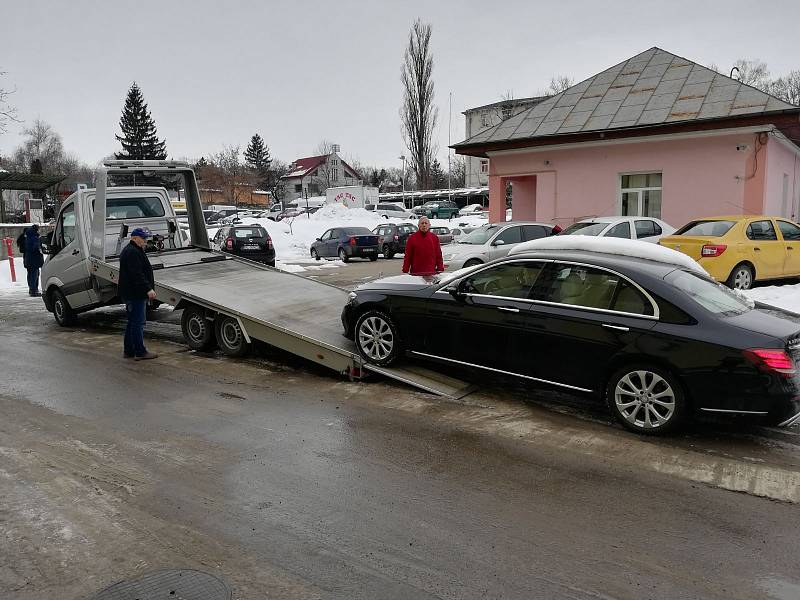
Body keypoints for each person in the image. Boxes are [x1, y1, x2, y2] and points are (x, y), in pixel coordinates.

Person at [118, 227, 158, 360]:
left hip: (132, 293)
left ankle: (129, 350)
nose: (145, 241)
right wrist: (148, 289)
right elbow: (137, 275)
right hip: (135, 294)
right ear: (134, 238)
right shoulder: (132, 252)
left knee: (132, 322)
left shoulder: (134, 250)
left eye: (146, 239)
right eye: (143, 239)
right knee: (138, 323)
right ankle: (140, 351)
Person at [23, 224, 44, 297]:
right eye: (38, 229)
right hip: (34, 260)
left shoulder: (28, 237)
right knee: (34, 275)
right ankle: (34, 290)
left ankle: (32, 289)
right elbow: (35, 248)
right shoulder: (34, 238)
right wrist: (40, 249)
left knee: (30, 275)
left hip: (29, 259)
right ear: (36, 230)